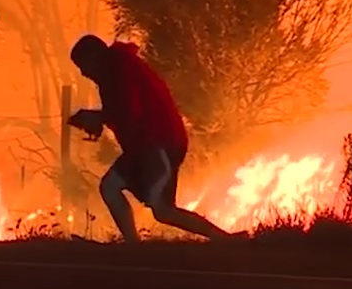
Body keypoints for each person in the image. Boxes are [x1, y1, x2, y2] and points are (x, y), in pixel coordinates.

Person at [67, 34, 233, 243]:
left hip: (156, 143)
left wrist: (97, 117)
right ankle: (224, 239)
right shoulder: (117, 67)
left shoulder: (118, 70)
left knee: (138, 198)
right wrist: (100, 120)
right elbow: (124, 112)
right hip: (155, 143)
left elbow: (128, 110)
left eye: (83, 65)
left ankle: (135, 246)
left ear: (94, 56)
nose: (83, 73)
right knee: (156, 207)